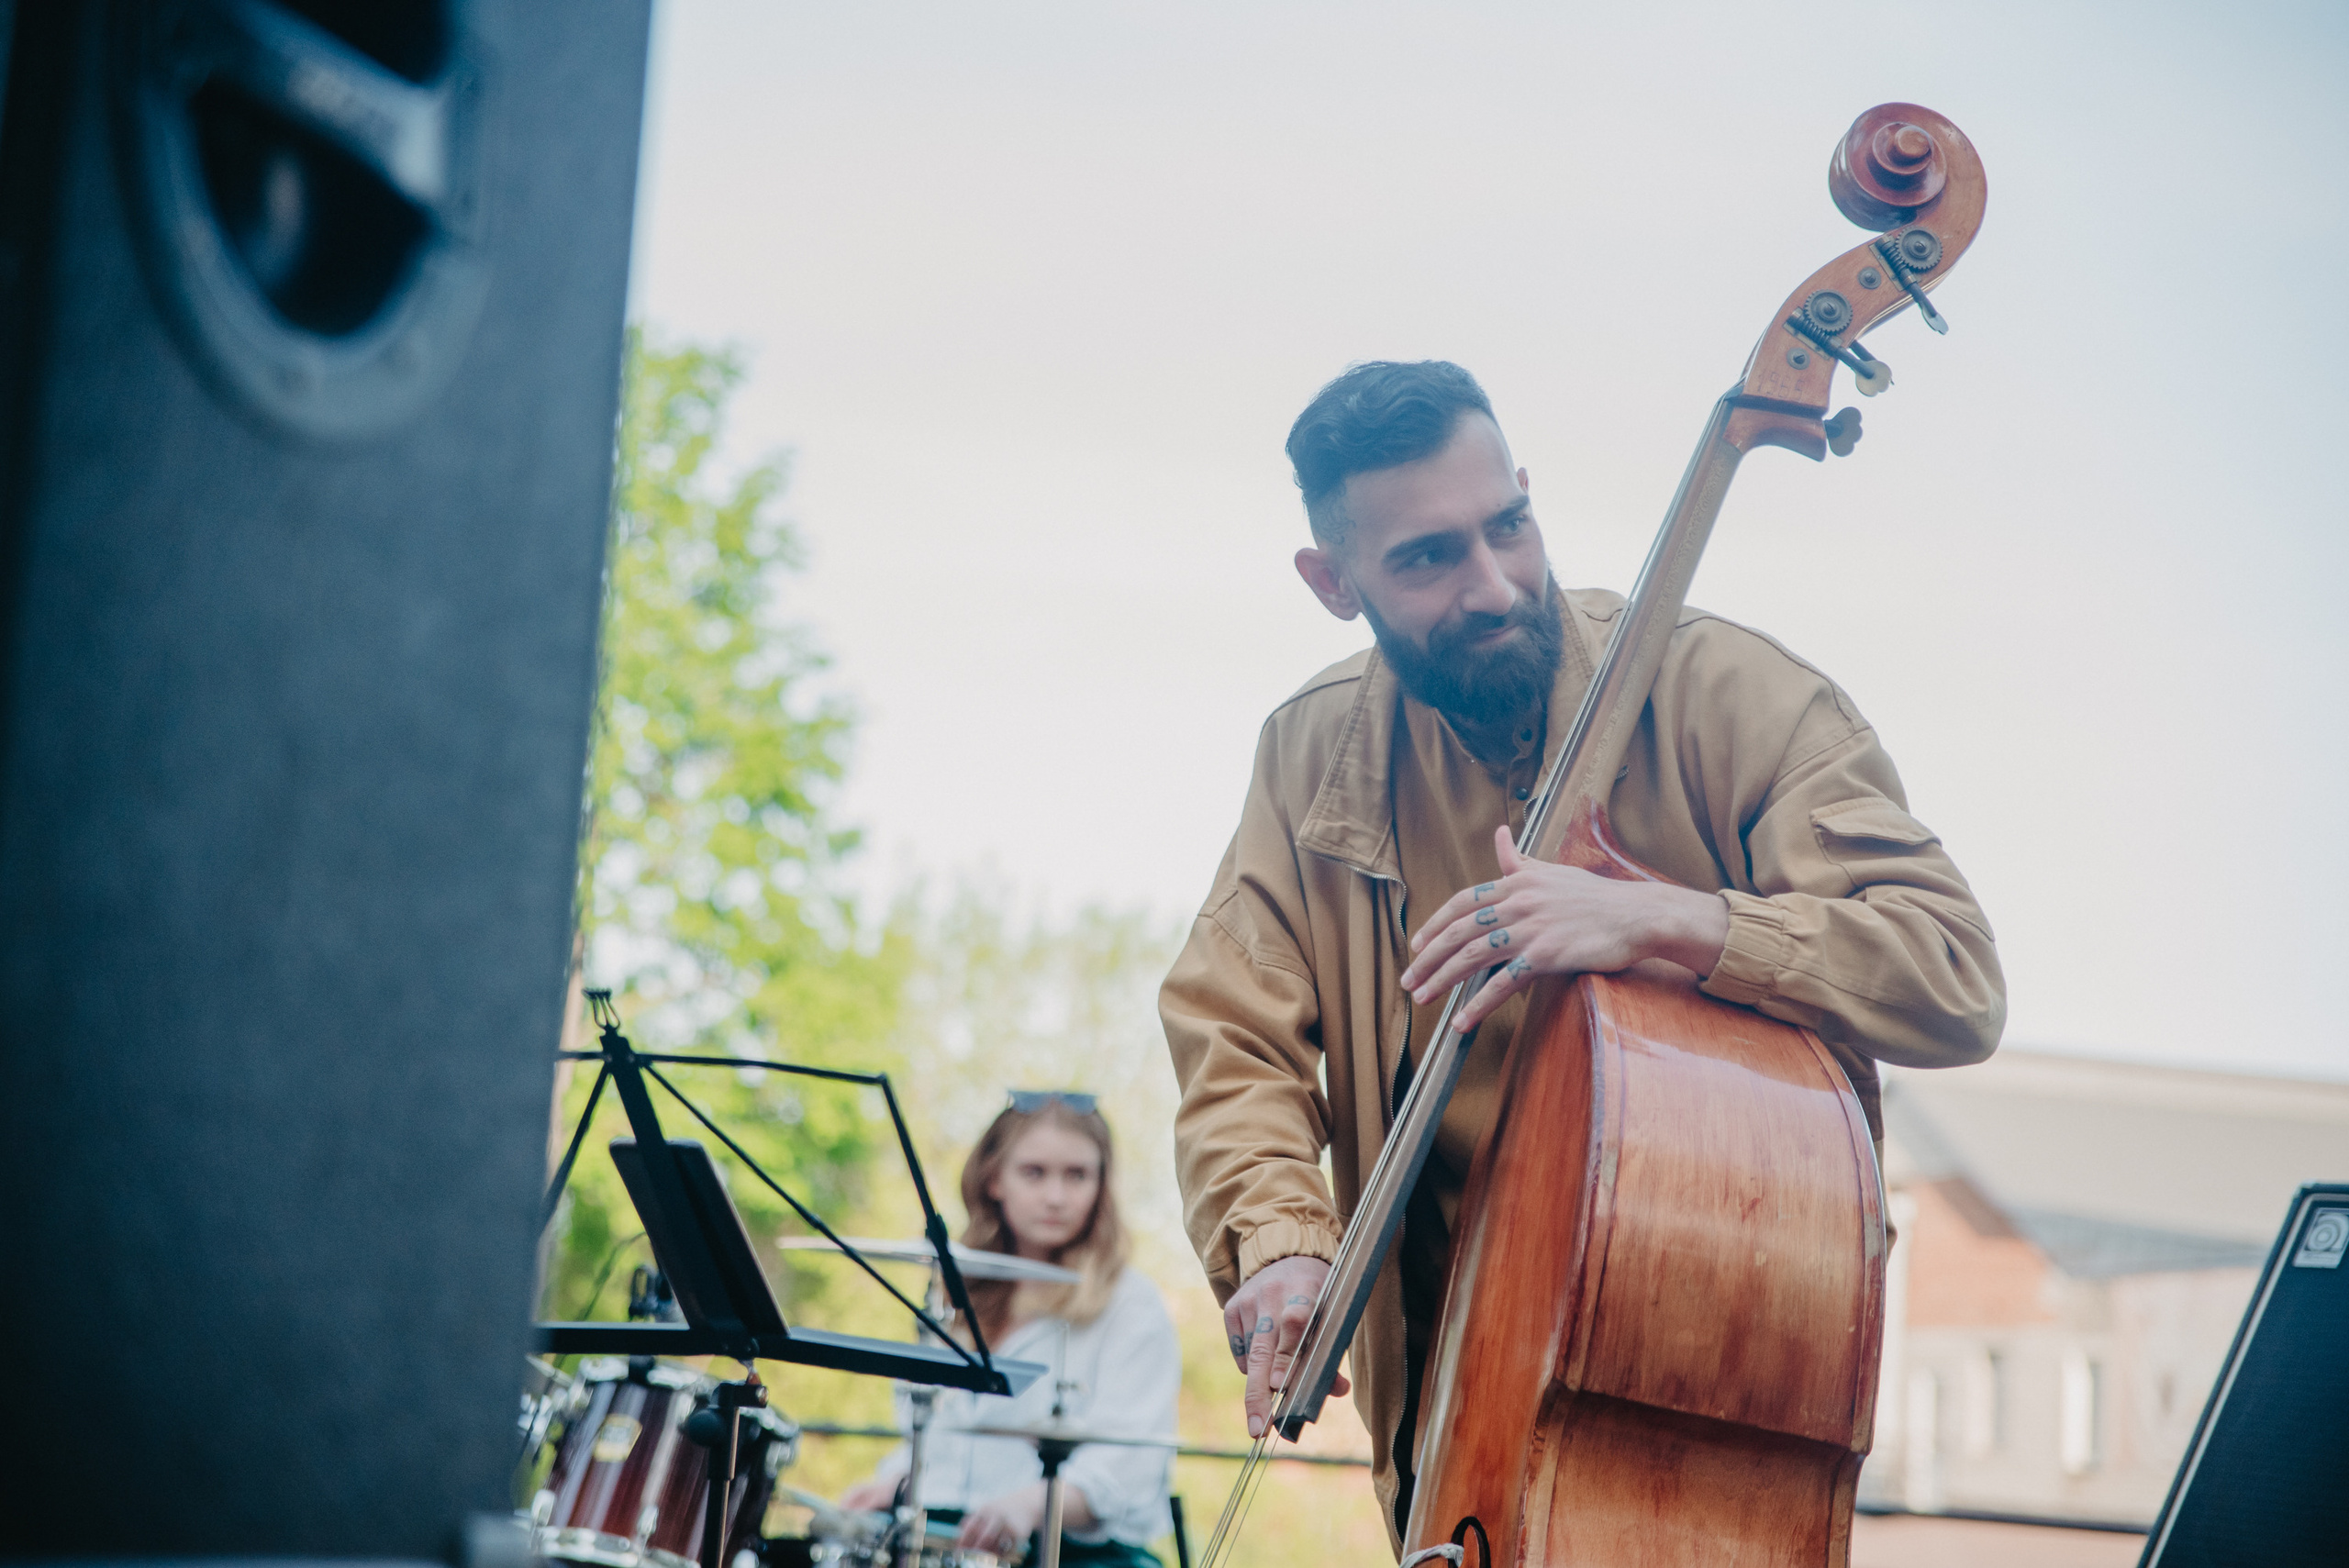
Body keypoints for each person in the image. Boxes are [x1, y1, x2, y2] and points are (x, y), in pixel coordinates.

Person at [1160, 361, 2005, 1546]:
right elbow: (1232, 1029)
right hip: (1454, 1413)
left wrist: (1670, 921)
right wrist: (1282, 1247)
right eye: (1428, 558)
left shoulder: (1733, 693)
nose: (1494, 584)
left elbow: (1951, 973)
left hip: (1709, 1379)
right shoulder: (1313, 753)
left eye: (1508, 525)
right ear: (1332, 582)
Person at [840, 1093, 1179, 1567]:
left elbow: (1130, 1468)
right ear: (994, 1179)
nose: (1056, 1196)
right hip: (948, 1538)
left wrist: (1028, 1506)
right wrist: (895, 1482)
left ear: (1102, 1185)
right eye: (1034, 1173)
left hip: (1079, 1554)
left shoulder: (1131, 1303)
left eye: (1077, 1175)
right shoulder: (956, 1292)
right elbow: (939, 1441)